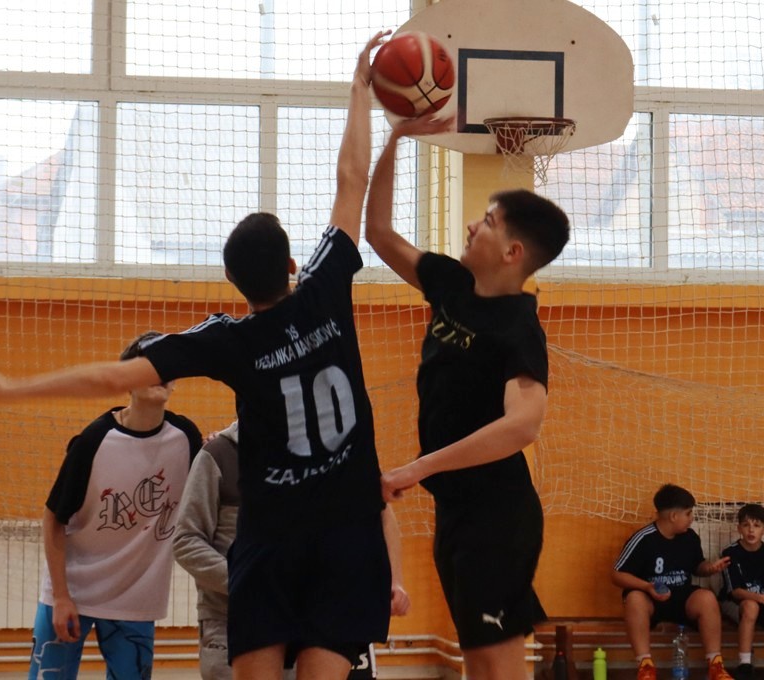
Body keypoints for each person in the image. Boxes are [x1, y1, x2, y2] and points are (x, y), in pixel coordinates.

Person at [0, 32, 393, 680]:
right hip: (342, 534)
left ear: (234, 284)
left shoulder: (230, 340)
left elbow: (112, 374)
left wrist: (13, 387)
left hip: (271, 540)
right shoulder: (325, 287)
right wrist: (363, 92)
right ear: (292, 265)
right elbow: (351, 179)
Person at [364, 113, 569, 680]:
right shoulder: (450, 284)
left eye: (488, 222)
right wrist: (395, 140)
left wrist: (418, 467)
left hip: (497, 517)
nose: (474, 226)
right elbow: (378, 232)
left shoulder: (519, 329)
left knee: (495, 667)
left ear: (512, 252)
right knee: (479, 664)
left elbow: (522, 425)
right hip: (455, 511)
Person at [172, 422, 411, 680]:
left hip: (313, 624)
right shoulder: (220, 453)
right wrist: (248, 582)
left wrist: (395, 580)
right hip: (232, 620)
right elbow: (186, 540)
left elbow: (381, 512)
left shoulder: (332, 452)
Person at [28, 331, 203, 680]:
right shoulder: (94, 440)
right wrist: (60, 596)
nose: (159, 374)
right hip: (72, 591)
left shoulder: (186, 439)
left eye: (166, 367)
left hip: (134, 600)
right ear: (127, 379)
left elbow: (211, 492)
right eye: (148, 367)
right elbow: (53, 518)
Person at [611, 484, 734, 680]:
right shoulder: (643, 539)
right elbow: (617, 575)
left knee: (707, 598)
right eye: (688, 513)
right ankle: (645, 667)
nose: (691, 518)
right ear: (674, 516)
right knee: (634, 598)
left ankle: (716, 666)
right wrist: (648, 587)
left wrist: (710, 568)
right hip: (652, 599)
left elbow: (697, 567)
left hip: (681, 598)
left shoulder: (689, 537)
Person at [718, 503, 764, 680]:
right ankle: (744, 664)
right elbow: (735, 592)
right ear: (739, 529)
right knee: (751, 606)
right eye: (746, 525)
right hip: (734, 604)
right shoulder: (730, 552)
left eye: (757, 525)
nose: (751, 530)